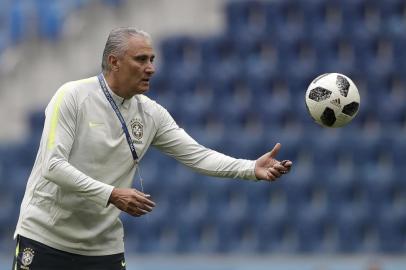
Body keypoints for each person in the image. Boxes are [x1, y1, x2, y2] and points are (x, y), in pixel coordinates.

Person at [12, 27, 292, 270]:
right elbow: (53, 166)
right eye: (141, 59)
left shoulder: (151, 114)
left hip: (102, 247)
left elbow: (199, 156)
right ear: (114, 62)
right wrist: (112, 195)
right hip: (46, 237)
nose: (151, 68)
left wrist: (250, 168)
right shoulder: (72, 96)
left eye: (152, 59)